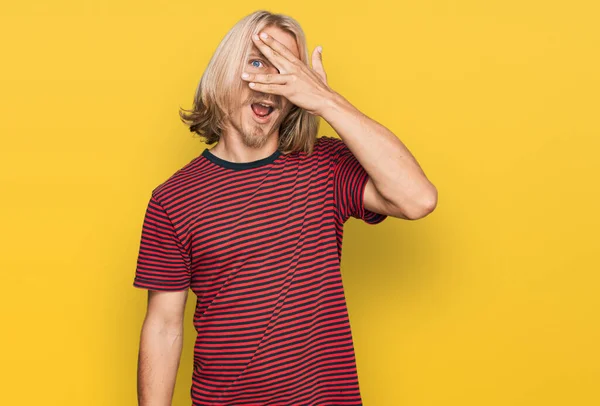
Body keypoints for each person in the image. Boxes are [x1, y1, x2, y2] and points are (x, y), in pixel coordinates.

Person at [133, 9, 437, 406]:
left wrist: (327, 101)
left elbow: (418, 199)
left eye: (285, 68)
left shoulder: (324, 166)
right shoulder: (174, 198)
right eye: (258, 62)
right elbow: (163, 326)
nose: (270, 82)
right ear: (224, 71)